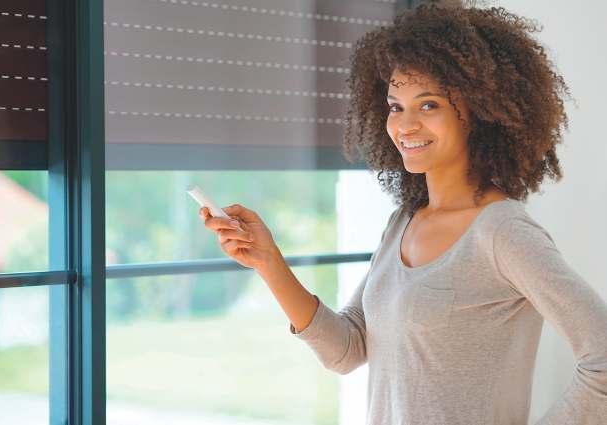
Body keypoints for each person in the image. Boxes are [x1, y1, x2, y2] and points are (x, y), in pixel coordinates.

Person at [199, 2, 607, 424]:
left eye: (429, 105)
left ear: (481, 112)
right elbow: (347, 349)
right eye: (396, 106)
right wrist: (269, 262)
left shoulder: (503, 232)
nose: (405, 124)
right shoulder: (404, 222)